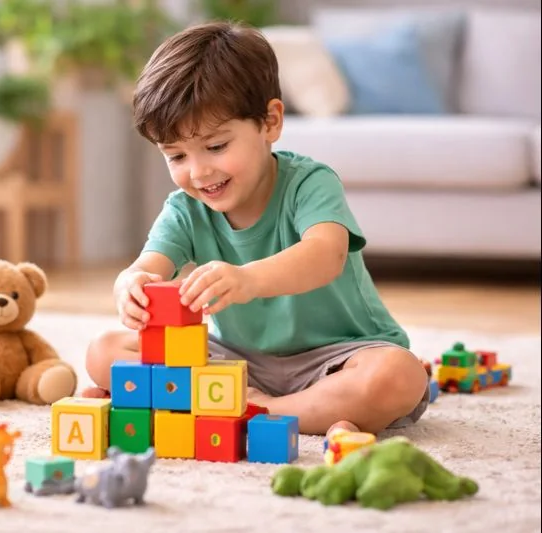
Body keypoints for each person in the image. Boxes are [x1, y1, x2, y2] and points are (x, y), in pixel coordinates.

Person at [83, 21, 429, 437]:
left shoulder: (309, 183)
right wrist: (131, 287)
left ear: (270, 122)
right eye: (175, 156)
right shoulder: (185, 209)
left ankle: (266, 411)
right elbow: (147, 267)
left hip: (337, 356)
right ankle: (254, 405)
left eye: (216, 146)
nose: (199, 172)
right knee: (104, 350)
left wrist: (248, 279)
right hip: (236, 364)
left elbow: (326, 255)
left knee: (398, 376)